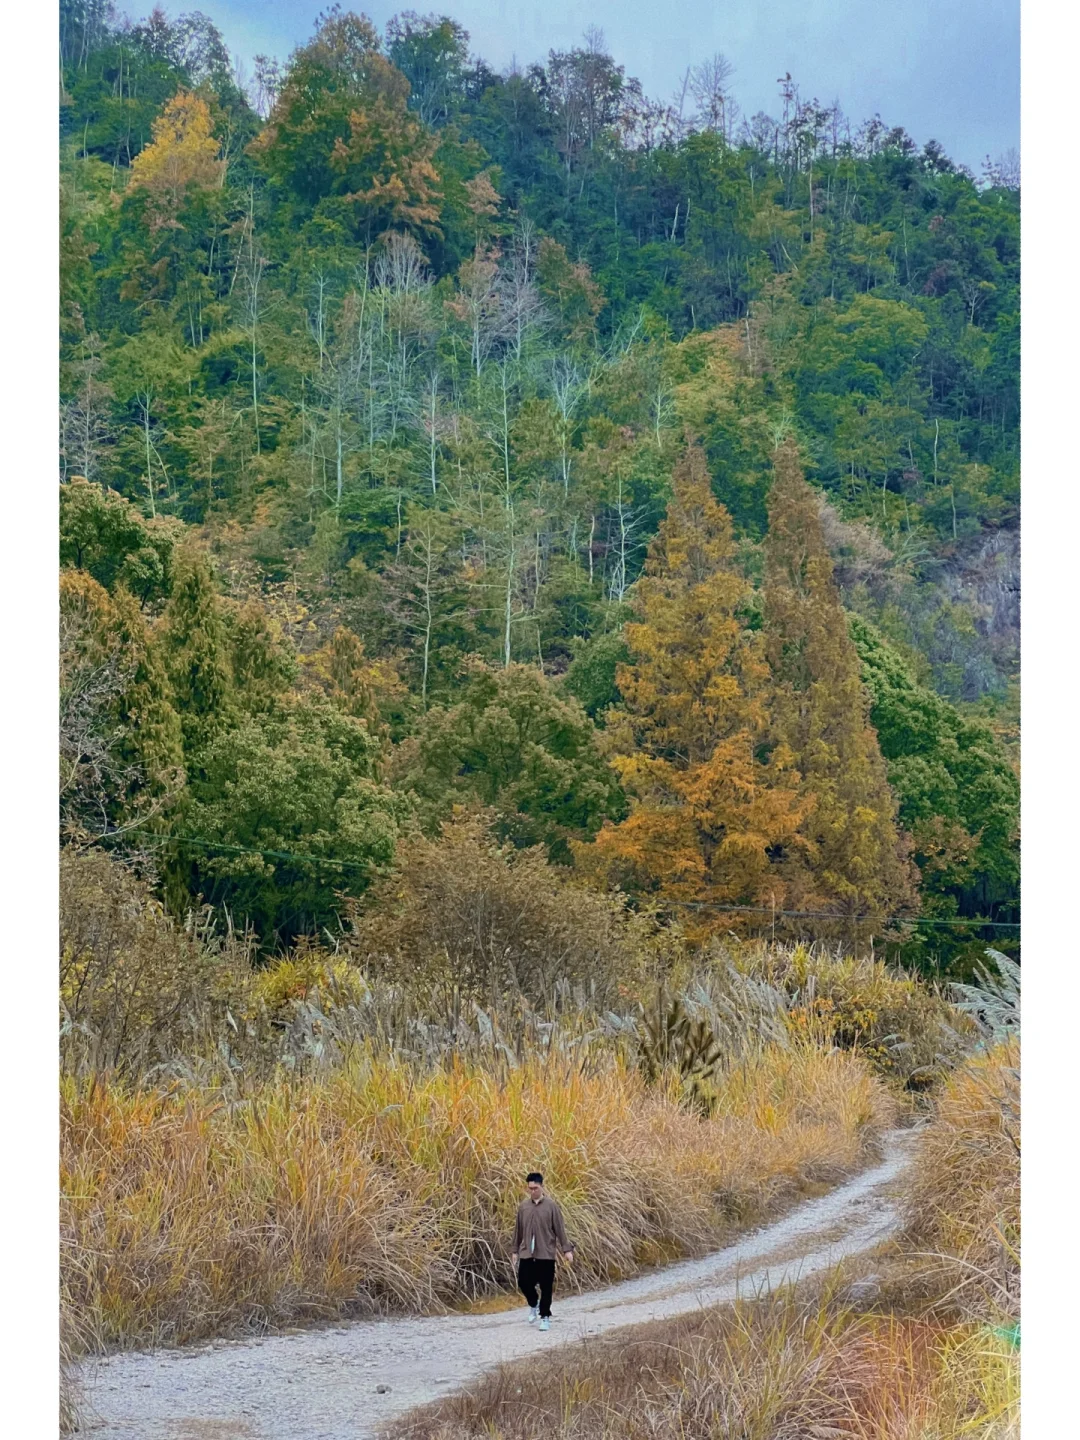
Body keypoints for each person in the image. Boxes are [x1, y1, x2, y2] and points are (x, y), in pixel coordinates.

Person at [510, 1171, 574, 1332]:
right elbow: (518, 1230)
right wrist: (515, 1250)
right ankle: (534, 1303)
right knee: (523, 1282)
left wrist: (566, 1250)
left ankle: (545, 1316)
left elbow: (560, 1230)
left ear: (542, 1187)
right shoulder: (524, 1207)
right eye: (530, 1188)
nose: (533, 1191)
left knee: (546, 1286)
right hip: (527, 1252)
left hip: (545, 1253)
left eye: (535, 1188)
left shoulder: (551, 1207)